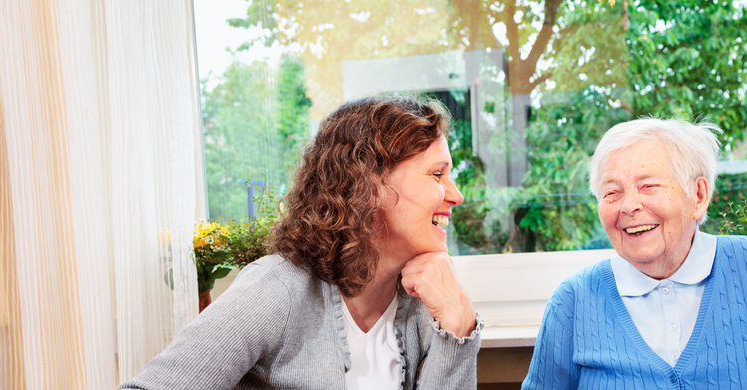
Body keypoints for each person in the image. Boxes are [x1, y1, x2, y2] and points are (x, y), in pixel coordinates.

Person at [119, 95, 483, 389]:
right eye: (437, 174)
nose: (456, 195)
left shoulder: (426, 301)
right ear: (371, 186)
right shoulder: (277, 290)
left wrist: (459, 323)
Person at [522, 118, 747, 389]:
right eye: (611, 193)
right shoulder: (573, 299)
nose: (629, 205)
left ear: (698, 196)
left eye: (649, 186)